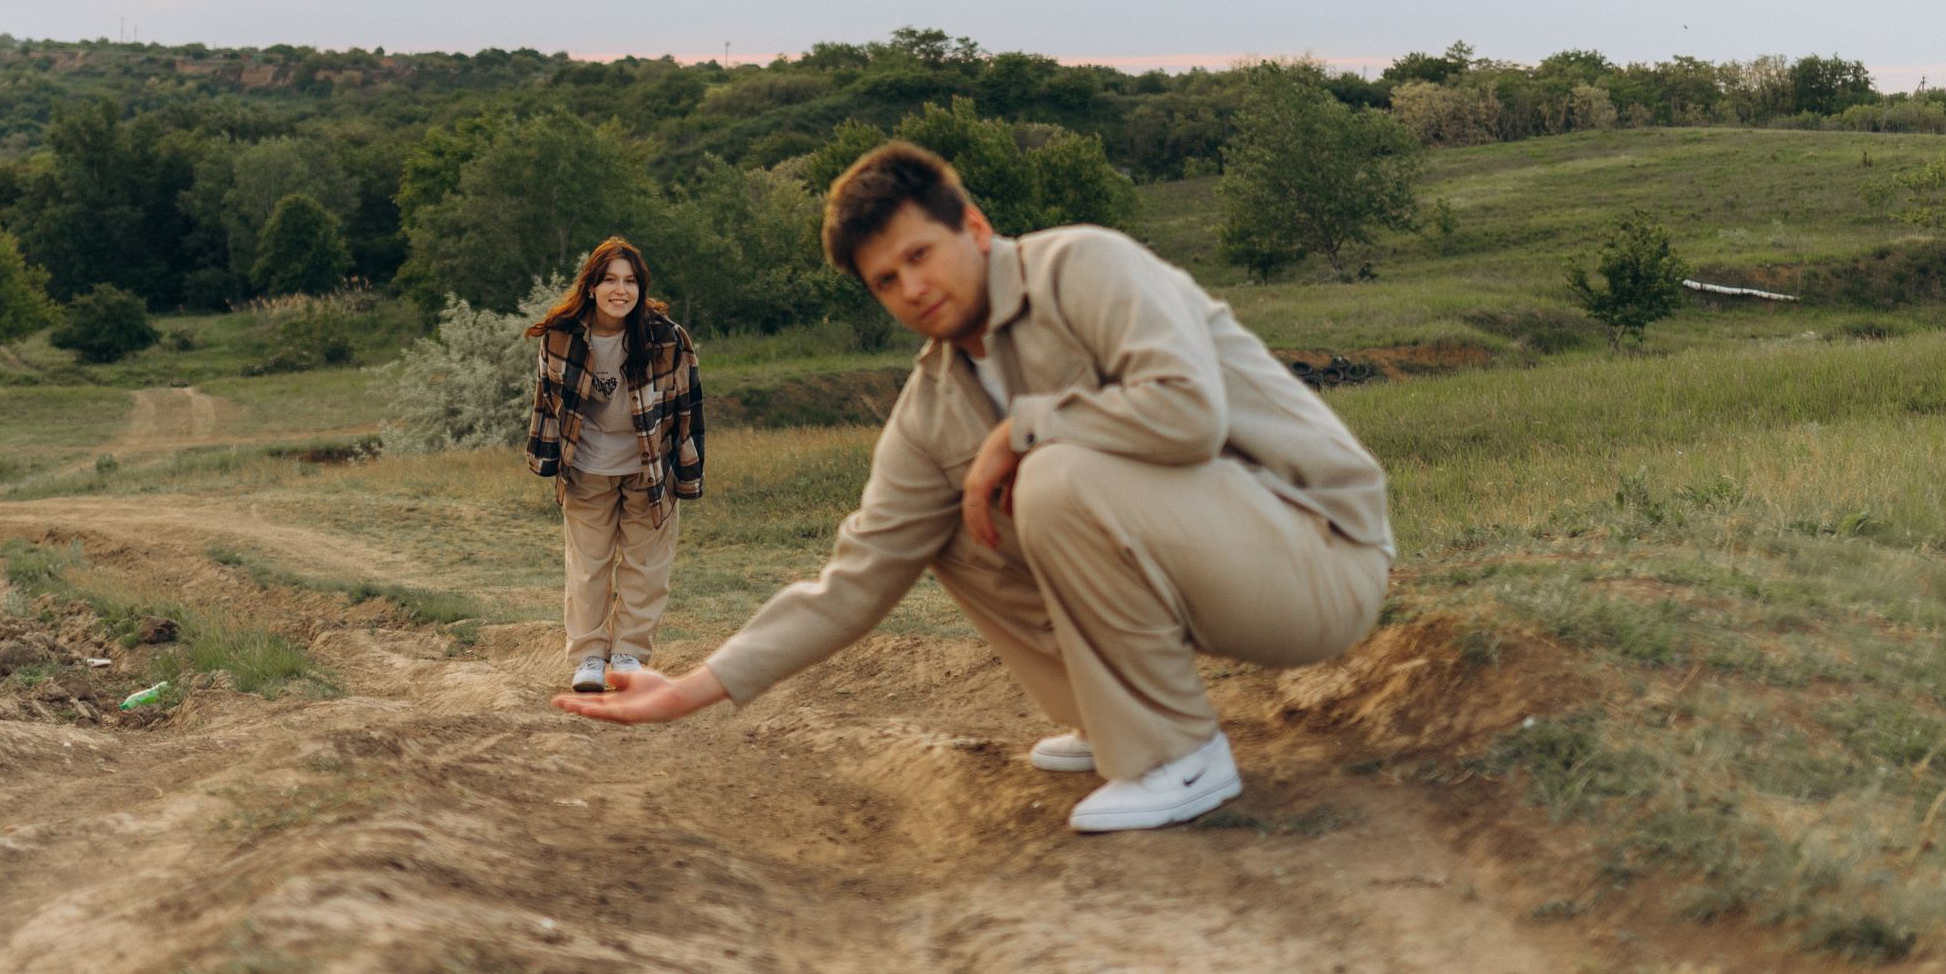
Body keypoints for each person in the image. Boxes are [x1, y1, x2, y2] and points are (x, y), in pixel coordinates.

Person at [553, 143, 1393, 833]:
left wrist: (1023, 429)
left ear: (976, 228)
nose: (911, 288)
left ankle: (1177, 756)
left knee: (1053, 473)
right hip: (1223, 569)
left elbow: (1190, 416)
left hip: (1319, 555)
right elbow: (858, 576)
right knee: (952, 524)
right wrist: (693, 686)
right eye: (886, 280)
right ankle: (1114, 720)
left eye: (920, 254)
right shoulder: (933, 406)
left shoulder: (1085, 266)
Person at [525, 237, 705, 695]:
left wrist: (687, 474)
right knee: (588, 566)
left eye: (630, 281)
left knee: (646, 567)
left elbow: (689, 409)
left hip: (650, 470)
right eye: (609, 280)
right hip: (586, 467)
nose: (619, 290)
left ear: (641, 289)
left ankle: (628, 657)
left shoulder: (667, 337)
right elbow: (546, 403)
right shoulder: (561, 336)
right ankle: (588, 656)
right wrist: (545, 460)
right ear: (591, 287)